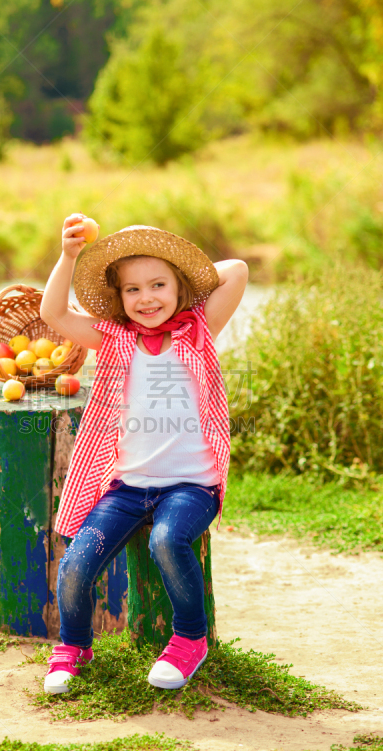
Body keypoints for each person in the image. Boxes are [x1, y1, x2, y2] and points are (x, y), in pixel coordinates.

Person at [39, 212, 248, 694]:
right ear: (118, 299)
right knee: (75, 561)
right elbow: (54, 314)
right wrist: (70, 256)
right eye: (132, 290)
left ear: (180, 290)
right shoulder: (113, 339)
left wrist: (186, 282)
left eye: (158, 286)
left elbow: (235, 269)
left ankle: (189, 638)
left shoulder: (199, 328)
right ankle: (75, 644)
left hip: (191, 485)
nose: (146, 298)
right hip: (128, 486)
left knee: (167, 541)